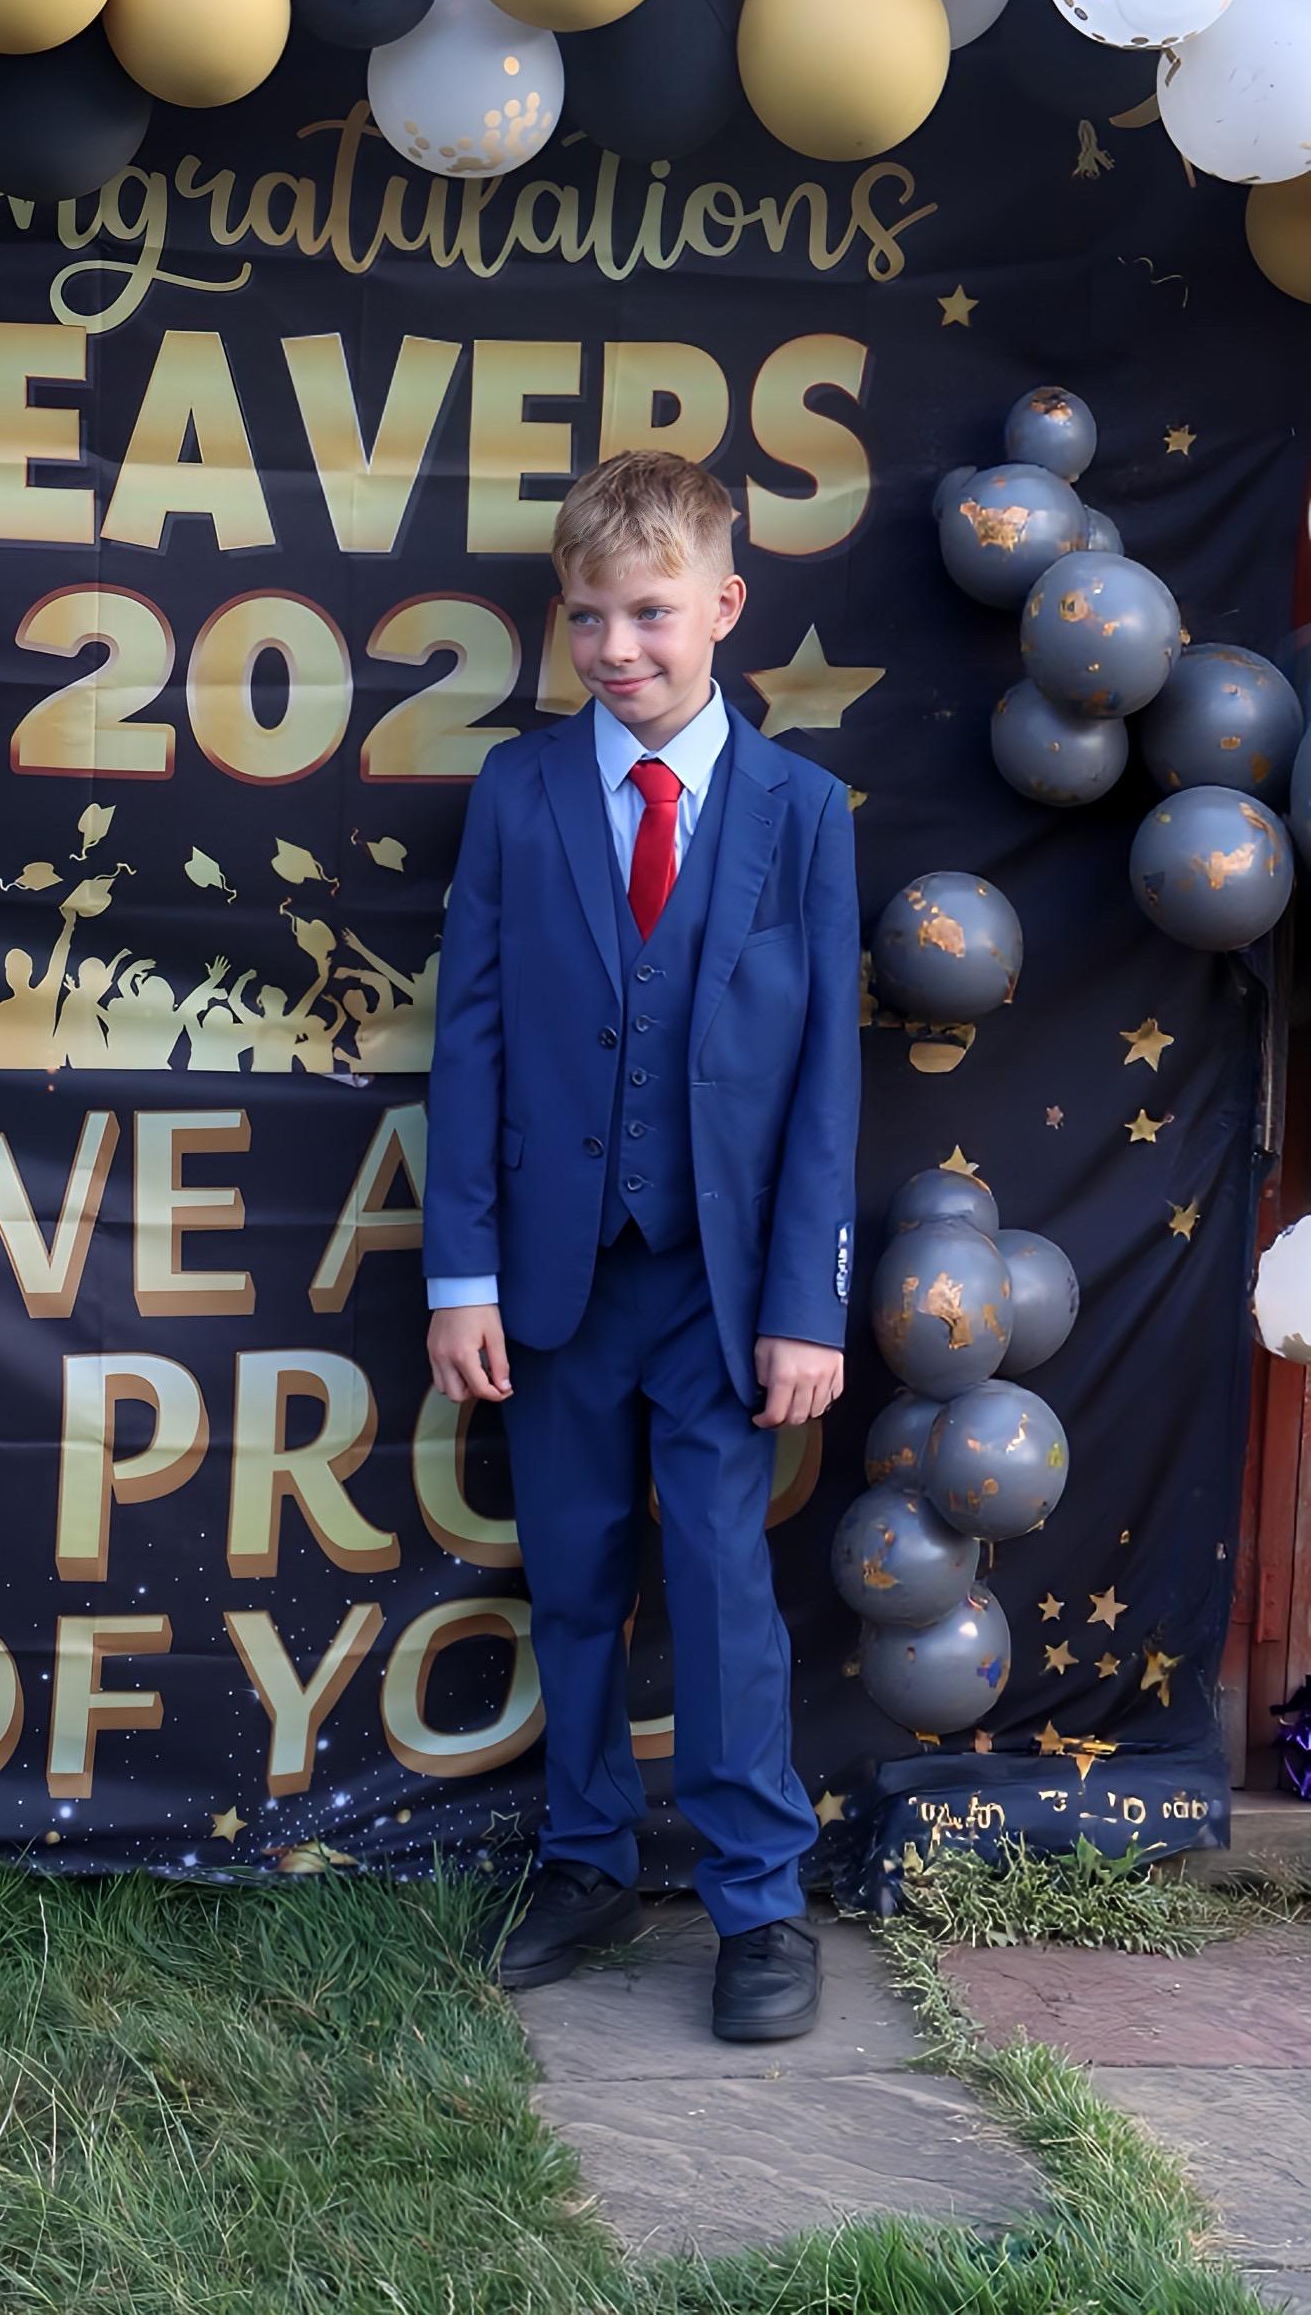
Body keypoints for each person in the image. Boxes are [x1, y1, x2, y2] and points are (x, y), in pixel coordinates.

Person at [423, 450, 860, 2043]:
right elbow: (468, 1041)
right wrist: (460, 1275)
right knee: (571, 1574)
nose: (618, 647)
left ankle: (757, 1899)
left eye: (651, 613)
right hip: (556, 1278)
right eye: (590, 616)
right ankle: (587, 1857)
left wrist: (807, 1304)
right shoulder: (519, 792)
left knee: (724, 1584)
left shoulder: (802, 814)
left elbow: (825, 1080)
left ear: (722, 606)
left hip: (722, 1290)